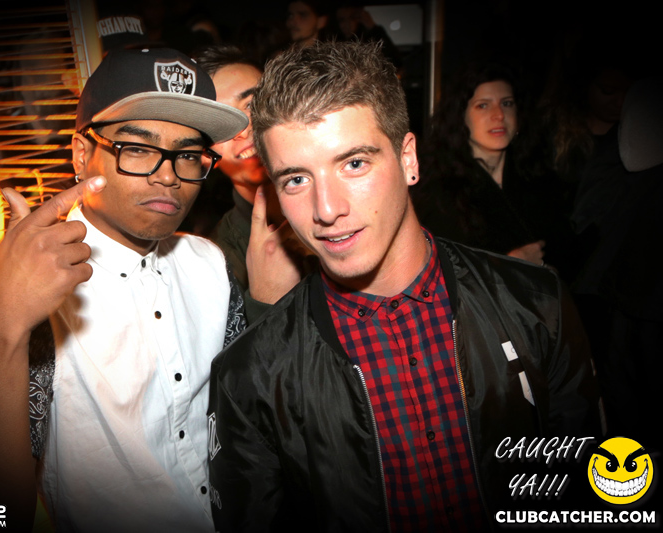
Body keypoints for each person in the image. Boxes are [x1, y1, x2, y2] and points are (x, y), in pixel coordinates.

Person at [207, 41, 603, 532]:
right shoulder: (250, 373)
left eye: (354, 163)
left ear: (408, 158)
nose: (326, 209)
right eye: (296, 180)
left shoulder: (536, 303)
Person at [0, 48, 249, 532]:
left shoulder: (210, 264)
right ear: (81, 153)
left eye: (187, 155)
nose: (168, 176)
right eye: (137, 148)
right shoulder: (40, 291)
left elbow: (243, 428)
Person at [412, 63, 571, 274]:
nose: (499, 115)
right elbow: (437, 272)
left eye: (506, 103)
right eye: (483, 105)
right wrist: (507, 267)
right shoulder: (438, 189)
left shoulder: (539, 176)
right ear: (461, 116)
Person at [195, 44, 307, 311]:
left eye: (252, 104)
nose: (244, 129)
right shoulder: (219, 261)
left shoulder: (352, 192)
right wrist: (265, 302)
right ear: (204, 156)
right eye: (219, 124)